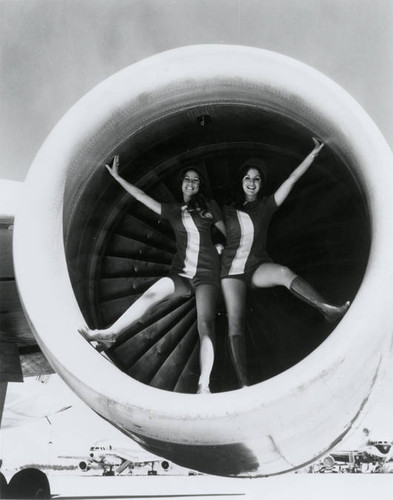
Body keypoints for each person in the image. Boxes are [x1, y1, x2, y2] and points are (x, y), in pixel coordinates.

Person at [79, 156, 226, 394]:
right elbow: (141, 197)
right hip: (182, 273)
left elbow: (229, 234)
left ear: (200, 185)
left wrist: (220, 248)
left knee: (205, 325)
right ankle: (111, 334)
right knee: (150, 295)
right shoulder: (174, 211)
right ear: (181, 184)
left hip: (207, 276)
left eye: (195, 180)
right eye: (187, 179)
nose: (191, 183)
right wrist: (118, 178)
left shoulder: (209, 207)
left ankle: (204, 385)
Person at [220, 138, 350, 388]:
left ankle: (326, 309)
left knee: (282, 272)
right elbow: (216, 229)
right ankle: (244, 383)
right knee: (235, 321)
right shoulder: (228, 209)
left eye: (256, 178)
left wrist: (312, 154)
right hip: (230, 272)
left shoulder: (267, 206)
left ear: (261, 184)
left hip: (256, 266)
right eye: (247, 177)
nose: (251, 182)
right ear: (241, 181)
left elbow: (290, 179)